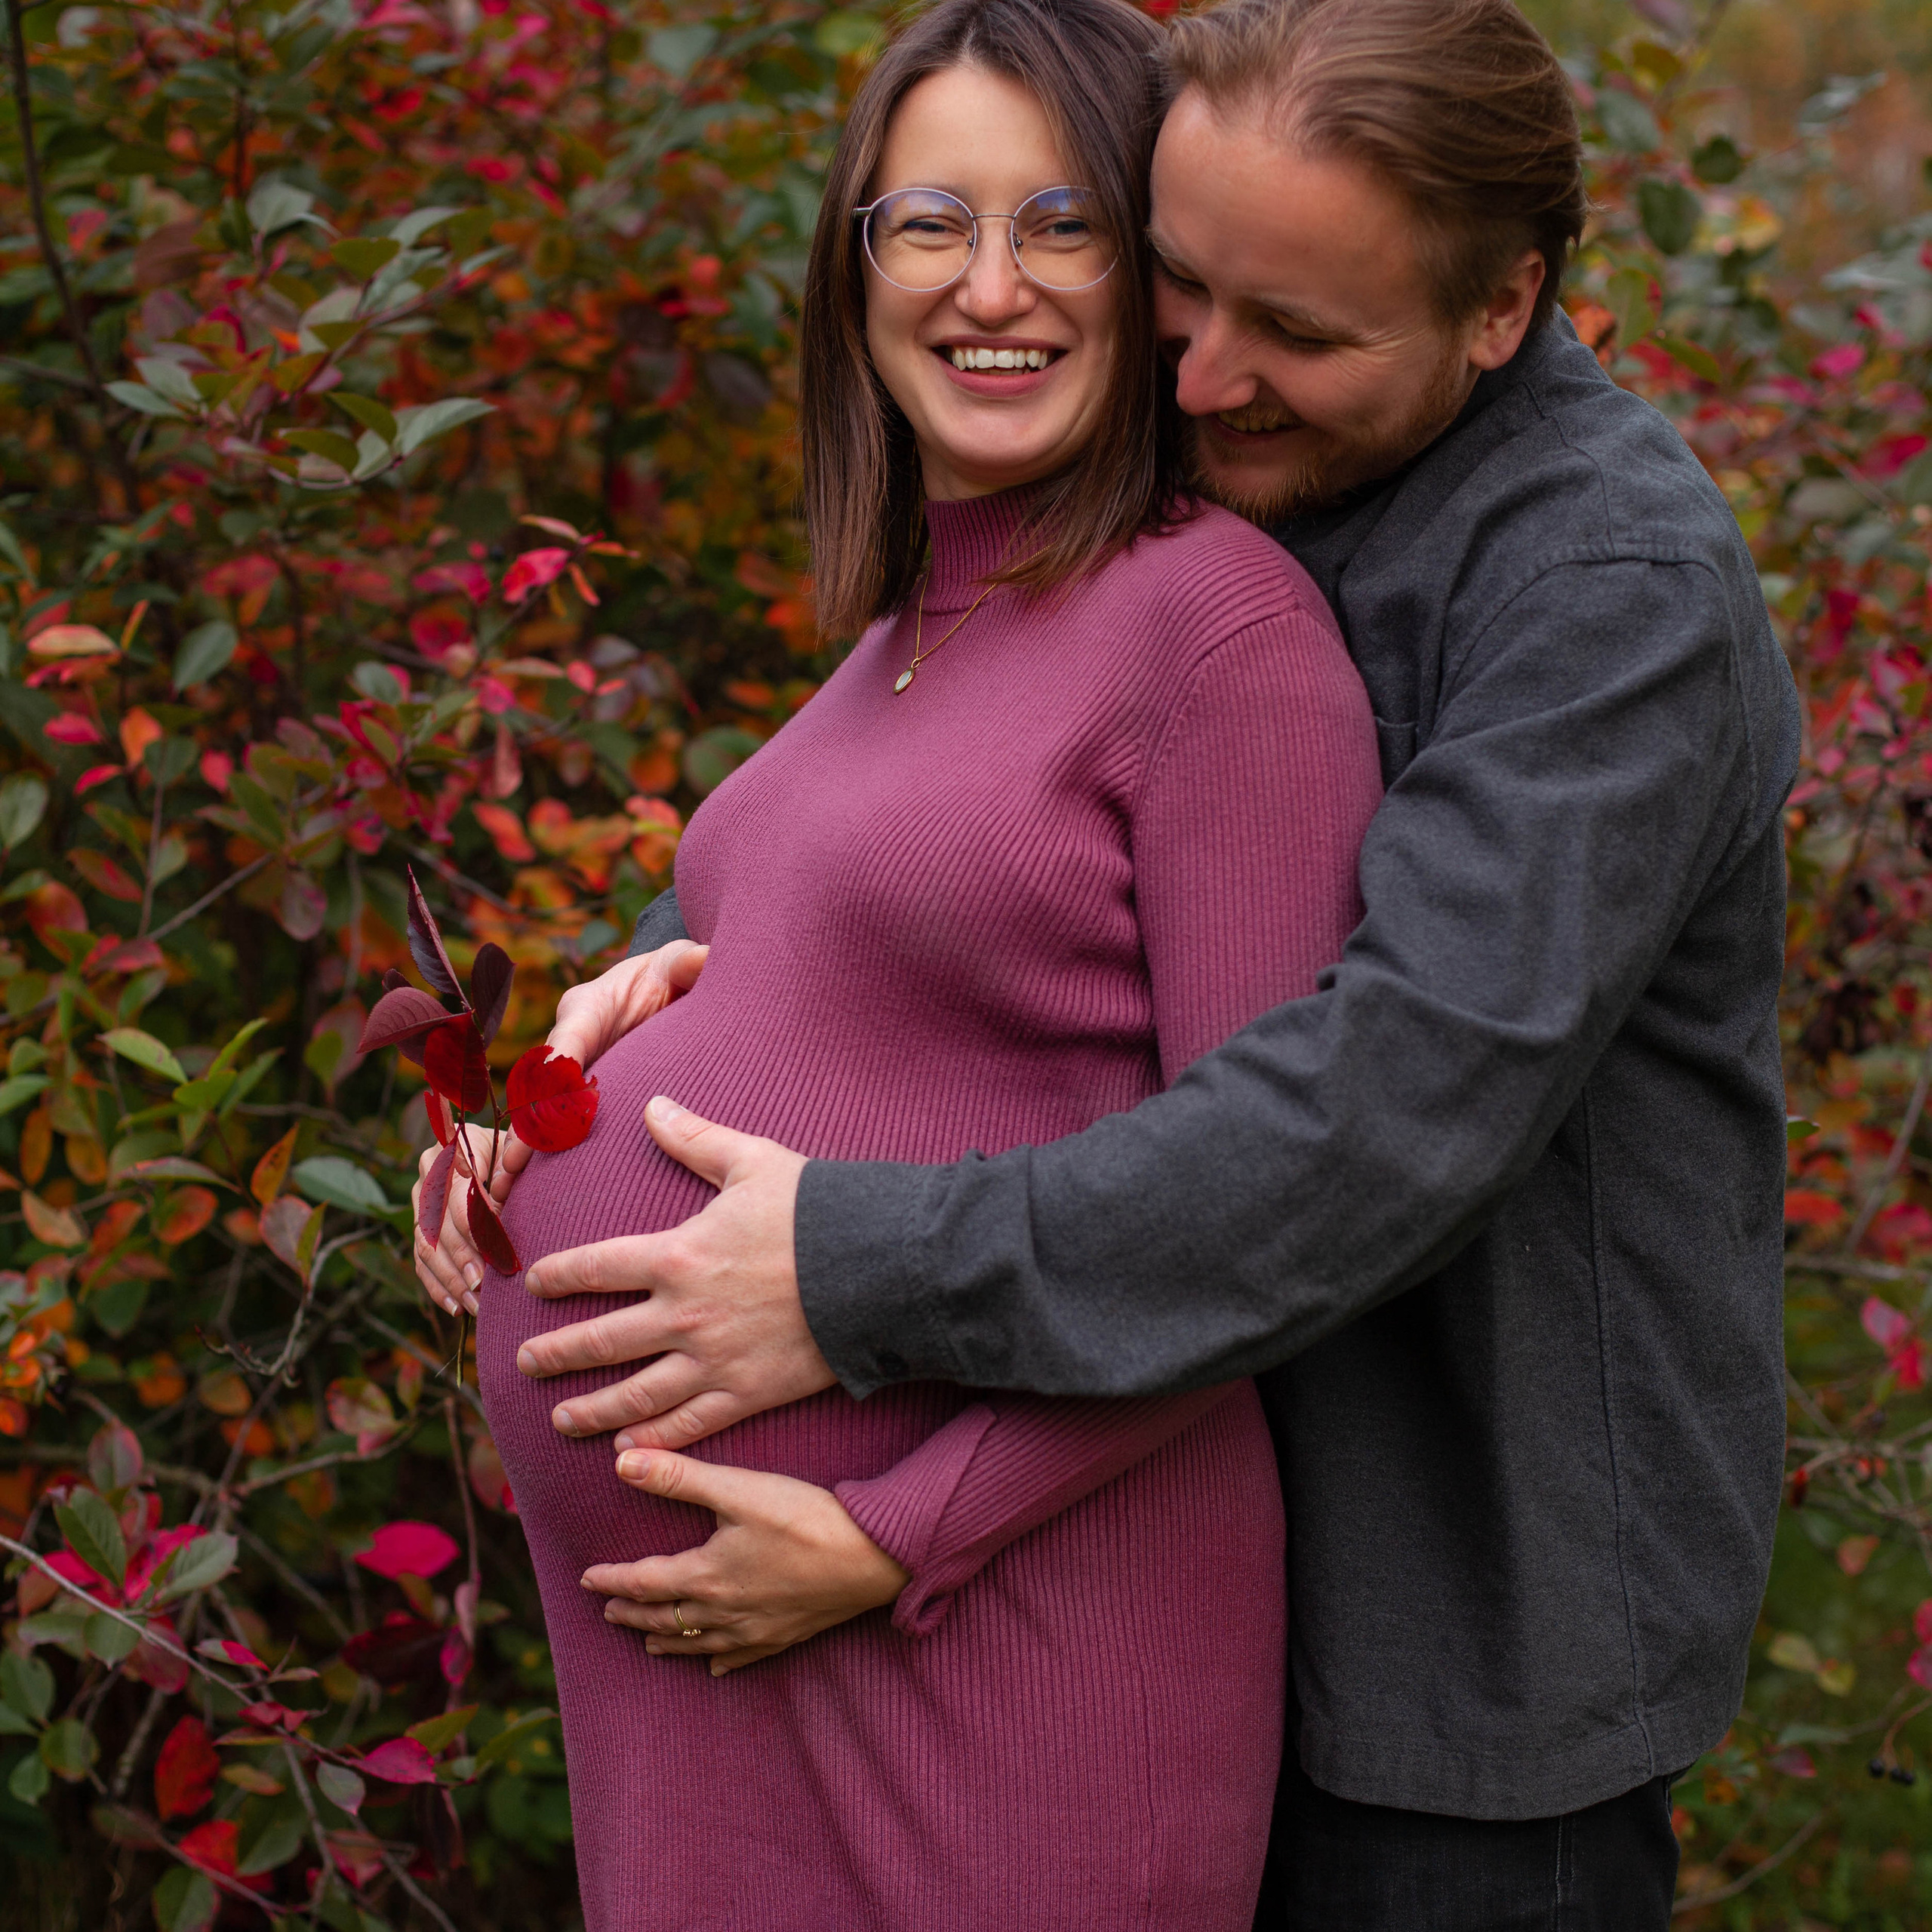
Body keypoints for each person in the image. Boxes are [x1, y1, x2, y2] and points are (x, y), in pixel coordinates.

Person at [426, 0, 1803, 1924]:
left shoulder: (1598, 590)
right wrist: (666, 981)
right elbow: (976, 830)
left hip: (1454, 1627)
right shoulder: (1197, 495)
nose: (1212, 372)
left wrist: (849, 1269)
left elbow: (1378, 1109)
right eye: (1182, 283)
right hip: (1146, 1547)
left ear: (1497, 313)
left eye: (1300, 333)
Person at [442, 0, 1384, 1923]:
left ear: (1151, 272)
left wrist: (892, 1532)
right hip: (718, 1690)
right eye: (925, 222)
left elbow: (1259, 1226)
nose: (990, 283)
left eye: (1061, 222)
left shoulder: (1212, 630)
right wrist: (526, 1134)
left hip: (998, 1656)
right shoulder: (883, 653)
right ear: (851, 267)